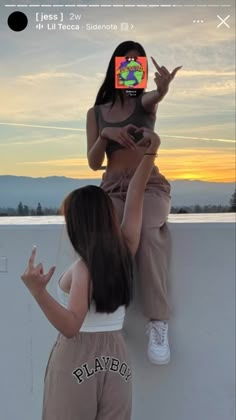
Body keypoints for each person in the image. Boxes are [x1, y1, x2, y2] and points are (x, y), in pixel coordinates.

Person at [21, 129, 160, 420]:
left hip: (78, 356)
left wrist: (38, 291)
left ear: (77, 224)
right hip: (117, 355)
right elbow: (135, 194)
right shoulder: (125, 249)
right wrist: (151, 151)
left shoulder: (85, 267)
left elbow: (72, 326)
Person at [86, 40, 182, 365]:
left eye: (136, 63)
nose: (130, 68)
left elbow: (154, 98)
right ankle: (112, 314)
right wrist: (105, 136)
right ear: (115, 67)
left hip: (150, 185)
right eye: (125, 63)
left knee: (145, 229)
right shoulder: (96, 113)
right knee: (111, 236)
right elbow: (93, 163)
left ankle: (158, 321)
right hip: (113, 188)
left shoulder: (145, 104)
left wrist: (163, 90)